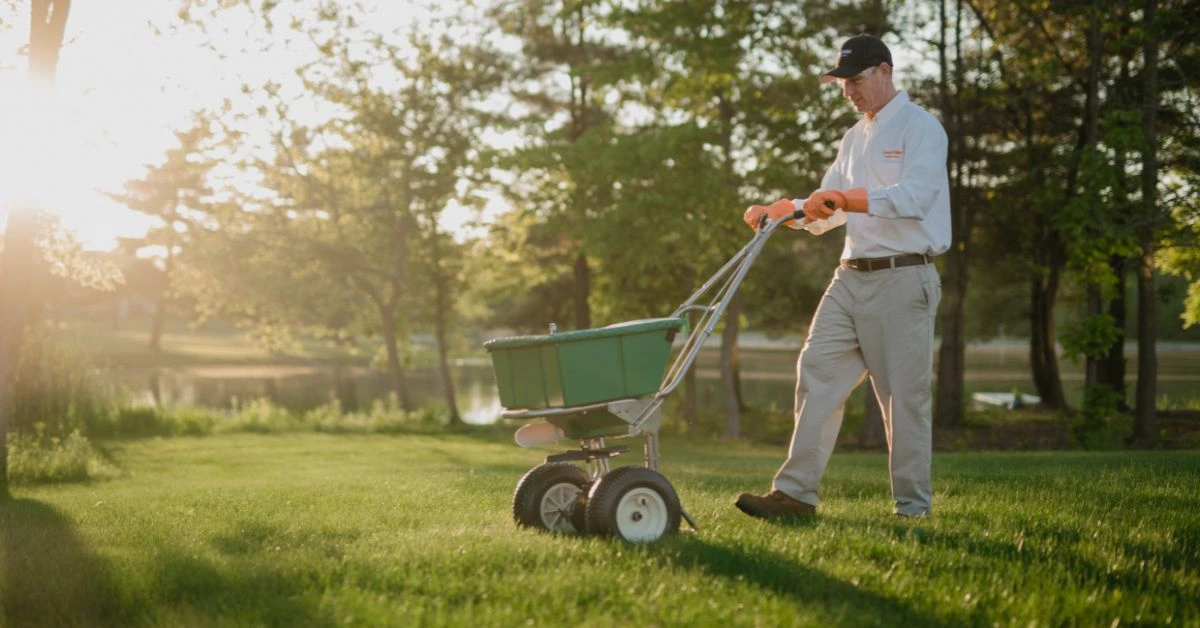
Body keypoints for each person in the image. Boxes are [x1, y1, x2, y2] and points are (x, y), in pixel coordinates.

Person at [737, 34, 951, 519]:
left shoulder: (922, 130)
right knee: (816, 374)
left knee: (903, 401)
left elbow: (914, 197)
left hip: (904, 277)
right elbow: (827, 206)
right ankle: (795, 495)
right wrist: (785, 211)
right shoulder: (854, 138)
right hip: (849, 277)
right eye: (840, 84)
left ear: (884, 72)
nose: (848, 92)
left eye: (855, 81)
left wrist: (846, 200)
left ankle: (911, 509)